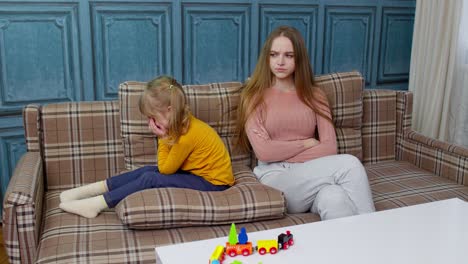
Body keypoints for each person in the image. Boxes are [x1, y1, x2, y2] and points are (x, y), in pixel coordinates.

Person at [235, 26, 375, 220]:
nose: (280, 62)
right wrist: (306, 143)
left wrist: (282, 151)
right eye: (274, 54)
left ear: (298, 58)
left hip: (314, 175)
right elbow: (264, 152)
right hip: (276, 178)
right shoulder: (253, 96)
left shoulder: (315, 95)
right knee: (350, 164)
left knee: (335, 198)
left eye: (289, 55)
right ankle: (375, 227)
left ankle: (354, 247)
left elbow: (329, 148)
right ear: (267, 58)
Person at [60, 76, 235, 218]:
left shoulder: (187, 136)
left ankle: (96, 204)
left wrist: (162, 137)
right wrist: (166, 136)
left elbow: (165, 170)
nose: (150, 123)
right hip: (198, 174)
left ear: (169, 110)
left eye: (153, 117)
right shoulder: (180, 124)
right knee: (146, 171)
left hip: (215, 183)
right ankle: (83, 192)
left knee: (151, 178)